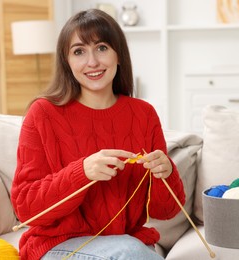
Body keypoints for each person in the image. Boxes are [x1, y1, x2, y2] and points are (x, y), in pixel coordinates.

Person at [11, 8, 185, 260]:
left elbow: (166, 211)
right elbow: (26, 209)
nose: (92, 62)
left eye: (102, 48)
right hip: (58, 247)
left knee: (128, 250)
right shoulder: (43, 113)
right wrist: (81, 172)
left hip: (127, 246)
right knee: (128, 251)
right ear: (67, 61)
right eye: (79, 51)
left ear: (118, 55)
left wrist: (165, 172)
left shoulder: (143, 114)